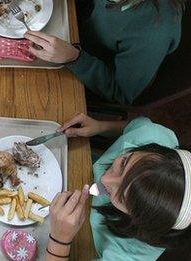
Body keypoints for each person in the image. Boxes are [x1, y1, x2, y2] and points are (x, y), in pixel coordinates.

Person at [43, 113, 191, 260]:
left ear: (139, 221)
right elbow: (134, 126)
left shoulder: (129, 255)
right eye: (124, 163)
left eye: (121, 197)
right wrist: (100, 126)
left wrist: (60, 240)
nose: (105, 179)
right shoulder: (154, 135)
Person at [24, 0, 185, 104]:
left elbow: (121, 93)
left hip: (90, 70)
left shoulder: (154, 31)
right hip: (72, 27)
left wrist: (74, 57)